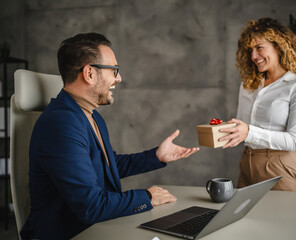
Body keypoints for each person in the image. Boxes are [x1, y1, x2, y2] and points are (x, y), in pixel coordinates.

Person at [20, 32, 199, 240]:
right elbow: (91, 206)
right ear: (89, 73)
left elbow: (106, 165)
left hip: (98, 228)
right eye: (114, 70)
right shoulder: (60, 124)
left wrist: (156, 156)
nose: (119, 78)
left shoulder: (90, 116)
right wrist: (147, 197)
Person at [219, 18, 296, 204]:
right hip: (247, 164)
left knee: (282, 231)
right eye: (250, 50)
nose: (254, 56)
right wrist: (222, 131)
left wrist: (249, 132)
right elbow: (243, 128)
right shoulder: (248, 86)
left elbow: (295, 140)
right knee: (245, 229)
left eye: (259, 47)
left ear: (278, 46)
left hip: (281, 168)